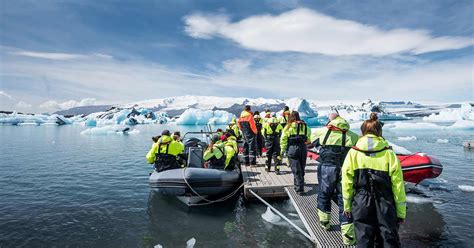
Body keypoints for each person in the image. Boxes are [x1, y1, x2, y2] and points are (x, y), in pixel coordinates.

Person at [342, 113, 406, 247]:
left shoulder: (353, 153)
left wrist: (347, 205)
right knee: (389, 236)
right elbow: (398, 185)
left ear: (362, 132)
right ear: (379, 132)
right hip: (385, 201)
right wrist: (401, 211)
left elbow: (346, 182)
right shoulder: (389, 154)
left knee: (363, 236)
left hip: (361, 200)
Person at [311, 113, 359, 245]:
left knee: (323, 194)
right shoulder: (353, 136)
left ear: (330, 121)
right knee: (345, 200)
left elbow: (312, 143)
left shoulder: (321, 132)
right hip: (345, 171)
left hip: (326, 168)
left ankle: (325, 223)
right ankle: (348, 237)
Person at [280, 111, 311, 194]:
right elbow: (308, 139)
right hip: (303, 148)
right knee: (301, 167)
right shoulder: (305, 127)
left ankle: (299, 189)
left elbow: (283, 139)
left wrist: (282, 150)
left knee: (296, 168)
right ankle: (299, 184)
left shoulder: (288, 127)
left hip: (292, 148)